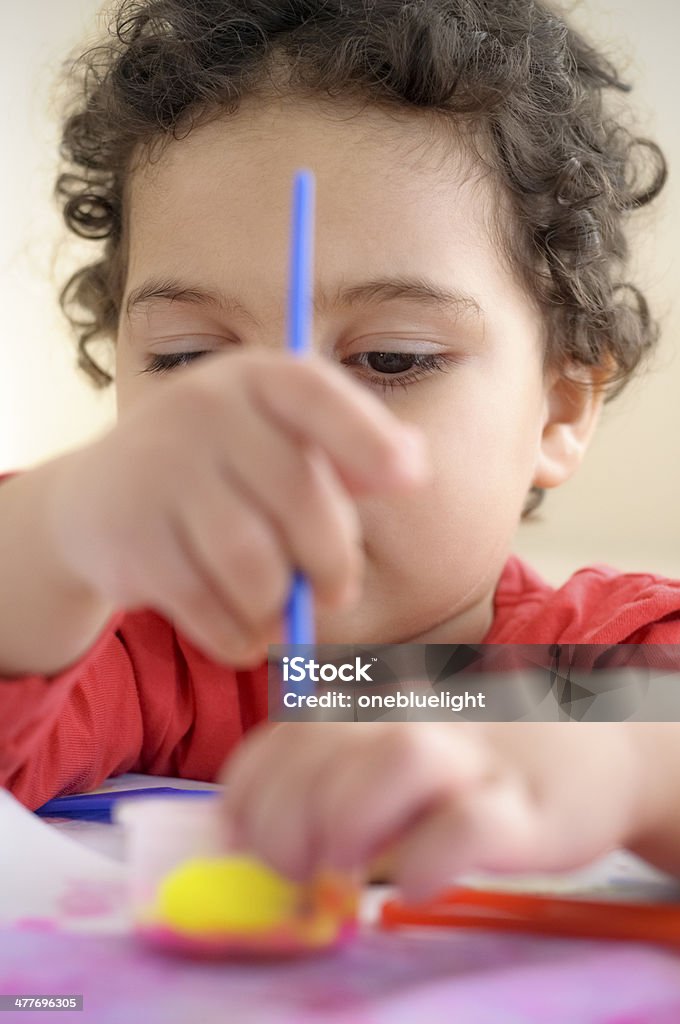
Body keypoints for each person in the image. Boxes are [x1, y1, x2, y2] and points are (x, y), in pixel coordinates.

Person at [1, 0, 679, 900]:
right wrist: (58, 529)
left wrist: (619, 766)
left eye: (392, 359)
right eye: (188, 361)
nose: (283, 435)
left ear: (558, 409)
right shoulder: (126, 644)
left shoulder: (611, 663)